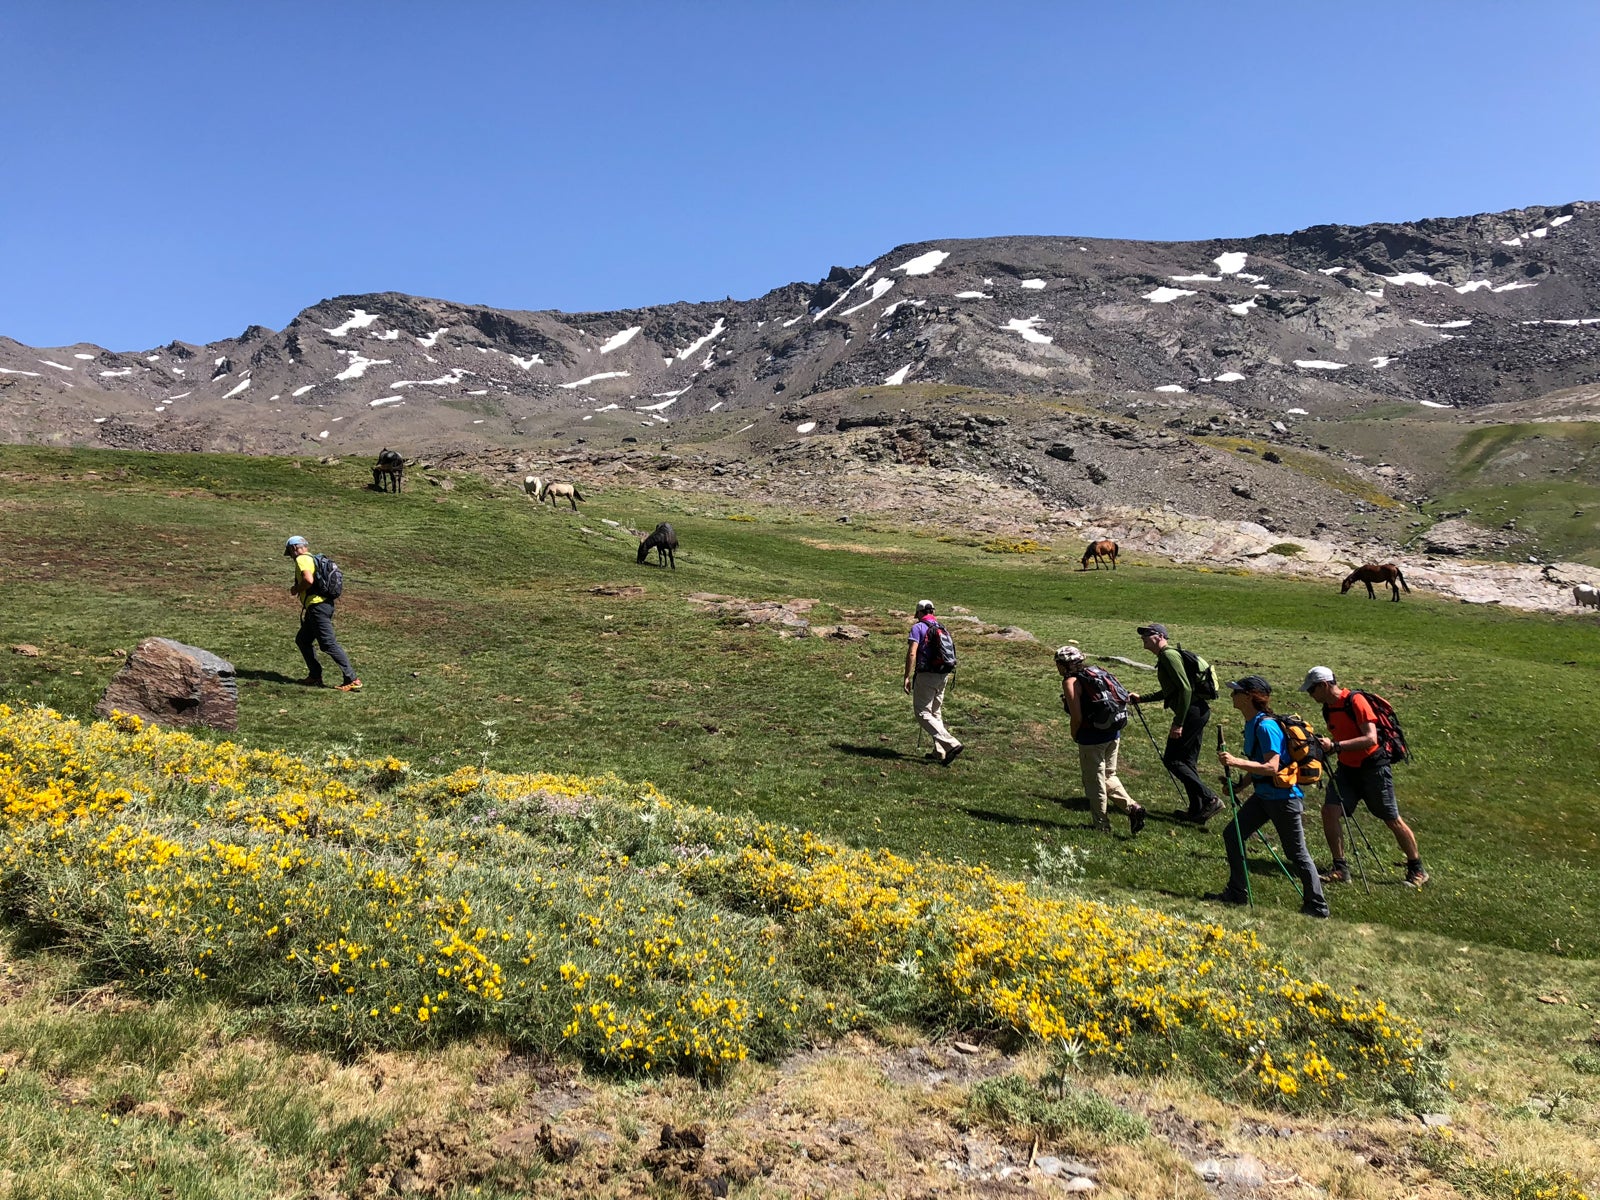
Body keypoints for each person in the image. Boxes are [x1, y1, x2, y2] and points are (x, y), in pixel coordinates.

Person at [1299, 666, 1428, 887]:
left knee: (1391, 818)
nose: (1311, 696)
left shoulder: (1356, 702)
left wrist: (1336, 746)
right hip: (1347, 769)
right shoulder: (1329, 708)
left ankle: (1417, 868)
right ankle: (1340, 868)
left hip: (1373, 769)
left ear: (1323, 685)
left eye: (1312, 690)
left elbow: (1371, 739)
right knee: (1329, 811)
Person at [1210, 676, 1328, 917]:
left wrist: (1235, 762)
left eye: (1237, 692)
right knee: (1232, 834)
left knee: (1296, 853)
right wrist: (1241, 785)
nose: (1232, 696)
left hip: (1284, 799)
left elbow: (1273, 766)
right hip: (1264, 797)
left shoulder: (1266, 727)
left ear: (1250, 696)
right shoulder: (1252, 724)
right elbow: (1258, 763)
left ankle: (1317, 906)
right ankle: (1237, 892)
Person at [1127, 623, 1224, 823]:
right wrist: (1142, 698)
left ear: (1161, 636)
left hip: (1191, 713)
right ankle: (1196, 810)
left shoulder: (1168, 656)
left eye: (1148, 633)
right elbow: (1173, 691)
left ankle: (1210, 798)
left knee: (1173, 760)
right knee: (1187, 762)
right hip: (1197, 711)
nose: (1143, 637)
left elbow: (1185, 689)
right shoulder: (1166, 657)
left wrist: (1179, 723)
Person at [1055, 646, 1145, 834]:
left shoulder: (1071, 682)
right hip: (1113, 732)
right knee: (1108, 775)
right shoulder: (1098, 672)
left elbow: (1076, 716)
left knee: (1094, 781)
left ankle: (1101, 826)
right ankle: (1133, 808)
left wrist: (1074, 734)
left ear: (1065, 665)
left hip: (1091, 737)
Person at [285, 535, 361, 691]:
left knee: (328, 643)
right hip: (323, 605)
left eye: (290, 553)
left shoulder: (302, 559)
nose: (291, 557)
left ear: (294, 549)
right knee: (303, 640)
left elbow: (308, 580)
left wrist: (296, 589)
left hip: (317, 608)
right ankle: (315, 675)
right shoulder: (313, 558)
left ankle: (352, 678)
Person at [903, 600, 962, 764]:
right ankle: (939, 751)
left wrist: (906, 676)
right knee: (935, 712)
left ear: (919, 613)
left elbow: (912, 653)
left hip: (926, 674)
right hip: (943, 674)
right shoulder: (942, 628)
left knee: (922, 713)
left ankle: (952, 744)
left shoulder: (918, 628)